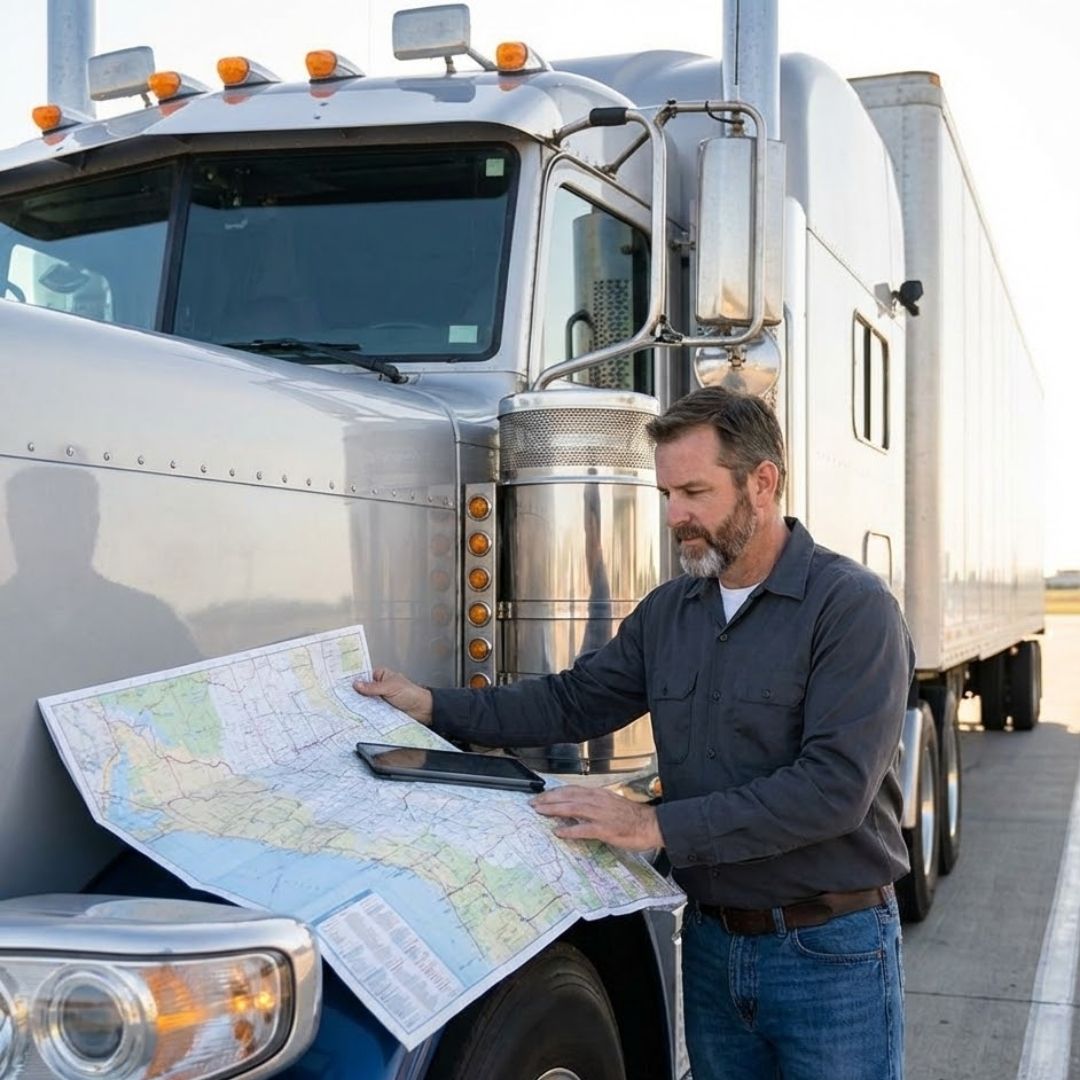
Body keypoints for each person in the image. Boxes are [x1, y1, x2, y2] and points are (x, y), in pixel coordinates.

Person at [355, 385, 913, 1080]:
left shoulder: (851, 608)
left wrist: (653, 826)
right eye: (667, 495)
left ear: (762, 483)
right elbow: (571, 702)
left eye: (695, 493)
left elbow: (833, 790)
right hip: (711, 946)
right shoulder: (669, 612)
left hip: (829, 954)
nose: (675, 516)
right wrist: (431, 706)